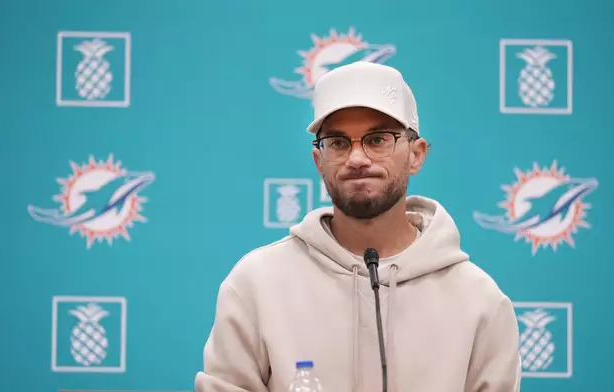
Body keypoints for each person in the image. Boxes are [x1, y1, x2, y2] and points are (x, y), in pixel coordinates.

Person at [194, 61, 521, 392]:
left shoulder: (479, 302)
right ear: (318, 161)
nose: (357, 158)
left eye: (378, 139)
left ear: (416, 155)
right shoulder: (255, 285)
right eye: (337, 142)